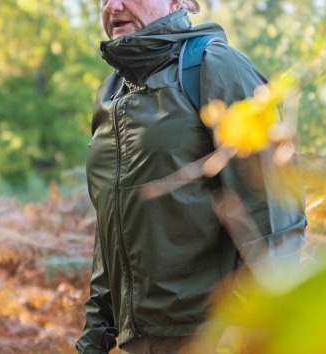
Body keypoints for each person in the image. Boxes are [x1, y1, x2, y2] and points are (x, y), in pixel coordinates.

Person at [77, 0, 307, 353]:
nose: (114, 6)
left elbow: (275, 215)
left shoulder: (215, 67)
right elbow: (112, 227)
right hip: (138, 342)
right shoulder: (110, 95)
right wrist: (96, 335)